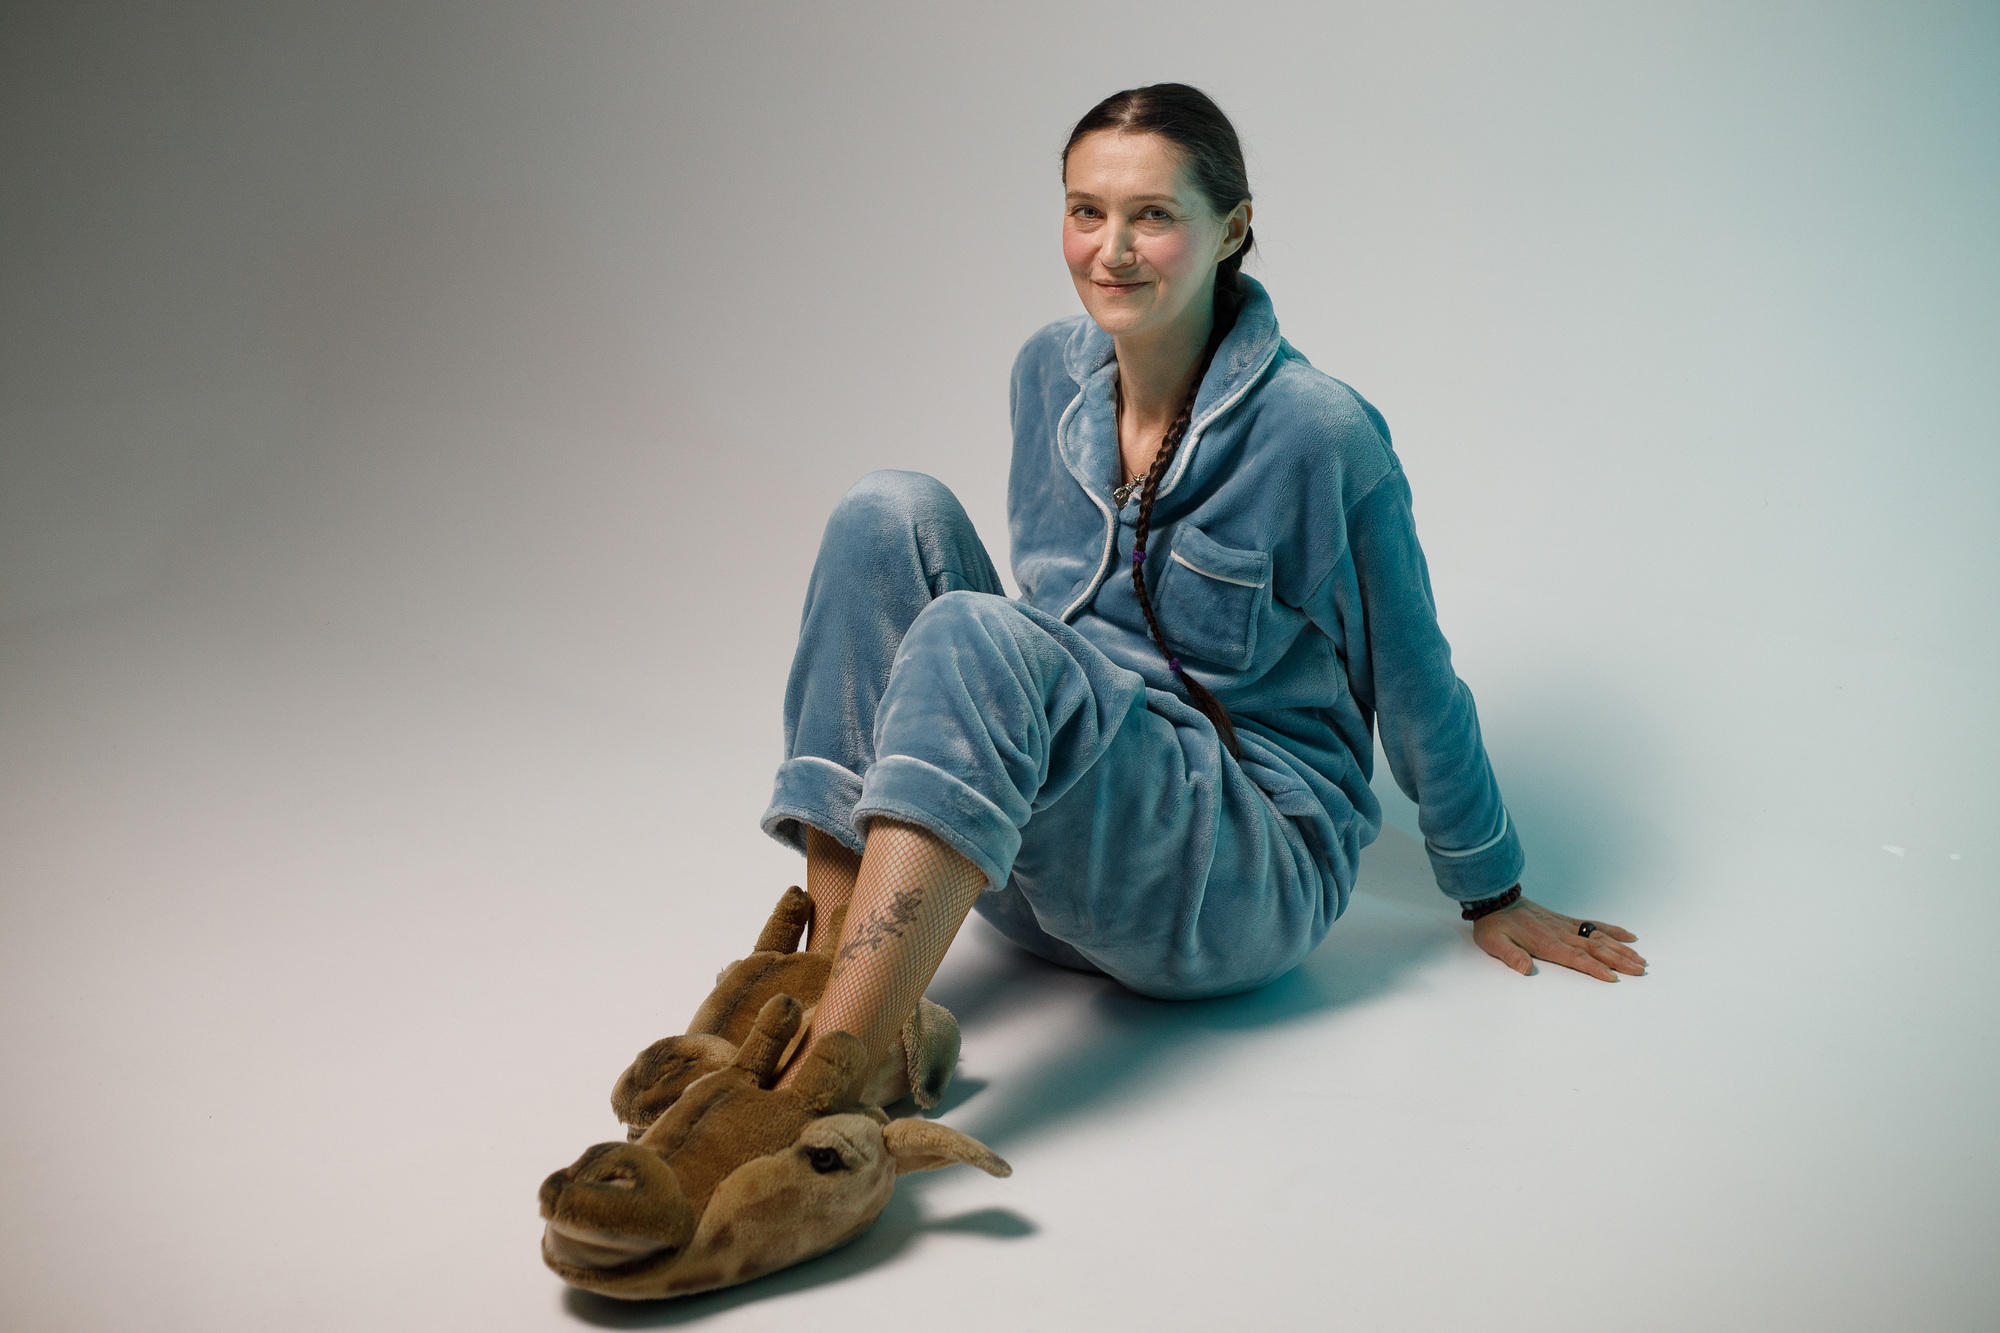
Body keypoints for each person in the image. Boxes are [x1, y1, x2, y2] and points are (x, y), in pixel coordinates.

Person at [761, 83, 1645, 1093]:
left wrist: (1492, 887)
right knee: (885, 511)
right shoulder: (1045, 372)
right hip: (1041, 859)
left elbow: (1412, 678)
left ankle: (824, 1082)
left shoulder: (1320, 433)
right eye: (1085, 211)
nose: (1111, 250)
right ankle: (810, 985)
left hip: (1232, 880)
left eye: (1152, 216)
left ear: (1231, 229)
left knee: (975, 631)